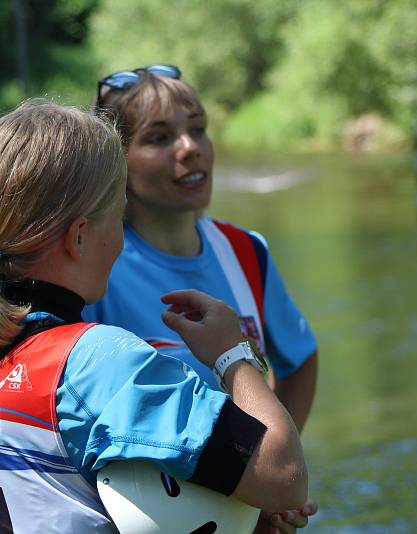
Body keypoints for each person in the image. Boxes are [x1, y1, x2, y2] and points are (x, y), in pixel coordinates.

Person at [0, 100, 307, 533]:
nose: (123, 240)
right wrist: (232, 354)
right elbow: (284, 474)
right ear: (80, 236)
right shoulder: (98, 361)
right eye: (119, 216)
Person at [84, 63, 319, 532]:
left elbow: (301, 360)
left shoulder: (246, 251)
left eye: (198, 130)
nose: (190, 148)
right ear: (118, 163)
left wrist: (265, 489)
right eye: (159, 138)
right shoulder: (95, 264)